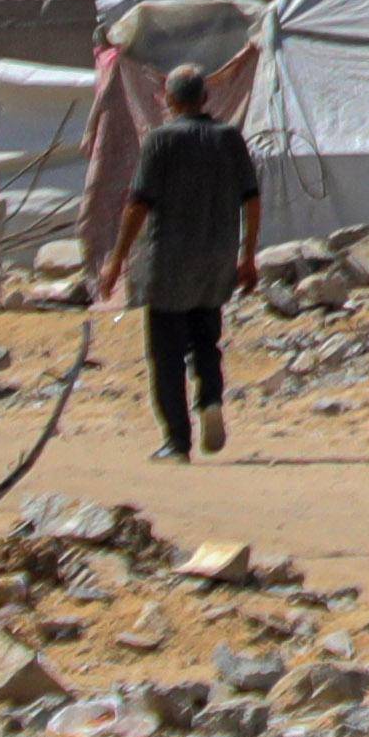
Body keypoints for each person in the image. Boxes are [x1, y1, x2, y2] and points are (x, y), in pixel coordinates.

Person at [95, 63, 266, 463]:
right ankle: (209, 401)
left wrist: (116, 260)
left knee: (166, 355)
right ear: (205, 98)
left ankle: (176, 441)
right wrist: (248, 255)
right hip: (215, 261)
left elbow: (138, 204)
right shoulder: (229, 139)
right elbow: (252, 198)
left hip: (168, 264)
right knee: (206, 341)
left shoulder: (160, 141)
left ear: (168, 100)